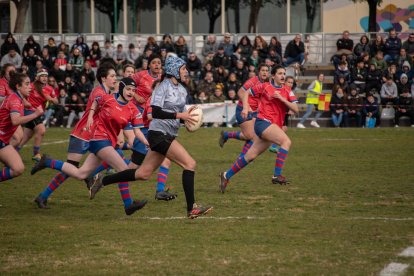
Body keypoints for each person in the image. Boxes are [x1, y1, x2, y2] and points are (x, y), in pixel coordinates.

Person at [85, 56, 213, 219]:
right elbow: (155, 111)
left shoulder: (182, 90)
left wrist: (187, 121)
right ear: (174, 70)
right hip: (158, 134)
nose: (186, 72)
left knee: (142, 174)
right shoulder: (162, 87)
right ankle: (192, 208)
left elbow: (176, 116)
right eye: (183, 69)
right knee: (190, 164)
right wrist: (180, 115)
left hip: (169, 133)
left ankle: (102, 181)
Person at [32, 77, 150, 215]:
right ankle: (128, 205)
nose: (131, 92)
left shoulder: (133, 109)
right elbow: (95, 102)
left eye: (133, 90)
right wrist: (90, 116)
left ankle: (48, 162)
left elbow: (137, 131)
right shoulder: (108, 98)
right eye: (128, 89)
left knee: (80, 174)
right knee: (124, 170)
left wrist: (148, 143)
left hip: (108, 142)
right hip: (98, 139)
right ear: (122, 88)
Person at [219, 65, 299, 192]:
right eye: (280, 73)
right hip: (263, 123)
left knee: (249, 156)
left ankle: (226, 175)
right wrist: (245, 108)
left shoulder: (288, 91)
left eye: (284, 73)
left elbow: (296, 109)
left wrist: (282, 99)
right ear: (273, 76)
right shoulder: (265, 86)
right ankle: (276, 175)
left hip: (272, 126)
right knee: (286, 141)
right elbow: (245, 93)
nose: (283, 76)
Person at [0, 72, 44, 183]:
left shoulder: (18, 98)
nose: (30, 87)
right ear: (18, 86)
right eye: (27, 84)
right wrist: (35, 114)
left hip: (3, 141)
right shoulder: (14, 100)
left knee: (18, 168)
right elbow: (15, 121)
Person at [219, 64, 269, 157]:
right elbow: (240, 92)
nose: (265, 72)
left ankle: (240, 155)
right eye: (263, 70)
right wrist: (247, 107)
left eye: (266, 70)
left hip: (254, 112)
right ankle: (241, 155)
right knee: (251, 136)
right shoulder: (253, 81)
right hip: (243, 109)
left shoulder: (267, 83)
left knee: (252, 136)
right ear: (259, 72)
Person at [17, 69, 58, 161]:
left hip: (38, 113)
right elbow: (20, 94)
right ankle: (36, 154)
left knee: (26, 136)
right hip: (29, 111)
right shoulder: (31, 86)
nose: (44, 78)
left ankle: (13, 152)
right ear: (37, 77)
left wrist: (50, 98)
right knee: (41, 129)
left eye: (46, 76)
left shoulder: (50, 88)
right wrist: (26, 102)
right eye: (42, 76)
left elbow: (56, 101)